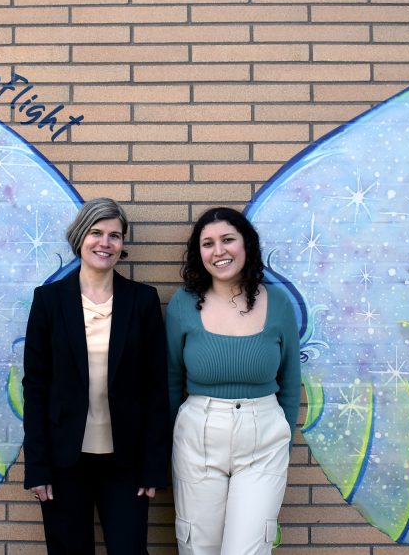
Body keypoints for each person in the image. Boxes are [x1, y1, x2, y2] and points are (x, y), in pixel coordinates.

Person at [22, 198, 170, 555]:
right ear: (80, 237)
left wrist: (153, 467)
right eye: (96, 232)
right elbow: (35, 387)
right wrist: (37, 466)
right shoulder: (49, 300)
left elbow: (156, 388)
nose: (106, 243)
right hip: (63, 461)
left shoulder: (142, 301)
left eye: (115, 236)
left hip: (126, 463)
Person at [166, 207, 301, 555]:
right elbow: (170, 379)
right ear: (199, 253)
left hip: (263, 440)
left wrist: (280, 440)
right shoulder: (183, 304)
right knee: (199, 548)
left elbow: (289, 381)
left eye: (228, 240)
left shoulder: (279, 303)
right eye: (207, 243)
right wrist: (170, 444)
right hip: (197, 437)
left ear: (246, 245)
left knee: (248, 549)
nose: (219, 251)